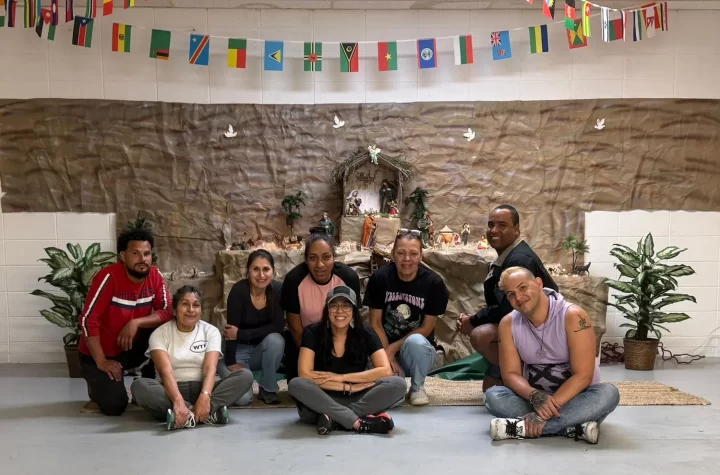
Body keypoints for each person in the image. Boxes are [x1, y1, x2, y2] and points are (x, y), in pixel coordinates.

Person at [485, 267, 619, 444]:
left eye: (523, 287)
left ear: (539, 283)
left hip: (575, 398)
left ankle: (519, 428)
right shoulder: (508, 323)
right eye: (510, 294)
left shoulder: (573, 316)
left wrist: (543, 415)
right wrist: (535, 397)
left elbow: (583, 375)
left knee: (609, 394)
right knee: (493, 396)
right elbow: (510, 374)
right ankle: (573, 428)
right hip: (533, 400)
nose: (518, 297)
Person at [457, 205, 558, 391]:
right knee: (490, 389)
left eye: (502, 225)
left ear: (517, 229)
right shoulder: (509, 256)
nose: (494, 230)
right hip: (525, 324)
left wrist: (473, 320)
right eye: (491, 225)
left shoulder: (518, 260)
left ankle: (528, 372)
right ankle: (511, 371)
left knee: (481, 335)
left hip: (540, 330)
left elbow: (509, 308)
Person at [78, 228, 174, 416]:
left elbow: (169, 311)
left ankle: (148, 382)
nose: (142, 259)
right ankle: (96, 382)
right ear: (123, 256)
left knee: (165, 328)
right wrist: (101, 361)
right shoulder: (109, 277)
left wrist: (136, 322)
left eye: (146, 254)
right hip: (100, 352)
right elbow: (89, 320)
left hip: (130, 345)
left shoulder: (154, 275)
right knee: (115, 406)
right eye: (135, 253)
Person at [131, 286, 254, 430]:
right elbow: (165, 372)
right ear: (175, 311)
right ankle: (205, 413)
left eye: (196, 305)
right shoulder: (159, 334)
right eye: (184, 304)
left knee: (245, 376)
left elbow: (210, 369)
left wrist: (205, 395)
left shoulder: (211, 331)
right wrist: (177, 400)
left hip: (204, 388)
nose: (191, 309)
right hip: (172, 390)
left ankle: (186, 415)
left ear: (201, 312)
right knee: (138, 386)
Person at [288, 286, 406, 435]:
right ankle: (357, 421)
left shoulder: (366, 334)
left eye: (346, 305)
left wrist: (341, 378)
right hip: (323, 397)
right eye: (334, 306)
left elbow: (385, 370)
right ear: (327, 309)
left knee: (397, 383)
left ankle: (334, 419)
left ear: (354, 310)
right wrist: (347, 387)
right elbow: (305, 374)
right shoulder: (312, 332)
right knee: (296, 384)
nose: (339, 311)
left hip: (355, 398)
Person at [364, 229, 449, 405]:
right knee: (392, 400)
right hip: (383, 346)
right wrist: (387, 356)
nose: (407, 259)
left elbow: (426, 327)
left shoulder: (434, 283)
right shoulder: (380, 278)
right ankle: (397, 382)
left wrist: (392, 350)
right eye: (401, 253)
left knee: (416, 341)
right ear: (393, 254)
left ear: (421, 256)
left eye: (413, 254)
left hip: (415, 351)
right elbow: (375, 323)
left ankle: (418, 387)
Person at [281, 234, 361, 382]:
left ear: (334, 257)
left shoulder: (348, 278)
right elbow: (295, 328)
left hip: (341, 343)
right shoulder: (294, 280)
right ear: (306, 259)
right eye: (313, 258)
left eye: (326, 257)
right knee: (299, 387)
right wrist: (315, 360)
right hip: (306, 345)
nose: (320, 265)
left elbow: (355, 321)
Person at [221, 250, 285, 405]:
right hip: (238, 352)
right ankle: (220, 376)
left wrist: (242, 334)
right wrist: (230, 361)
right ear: (248, 271)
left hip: (261, 351)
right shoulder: (239, 291)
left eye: (266, 269)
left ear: (273, 271)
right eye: (256, 269)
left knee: (276, 340)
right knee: (243, 399)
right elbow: (231, 332)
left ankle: (267, 389)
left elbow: (277, 327)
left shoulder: (277, 290)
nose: (261, 275)